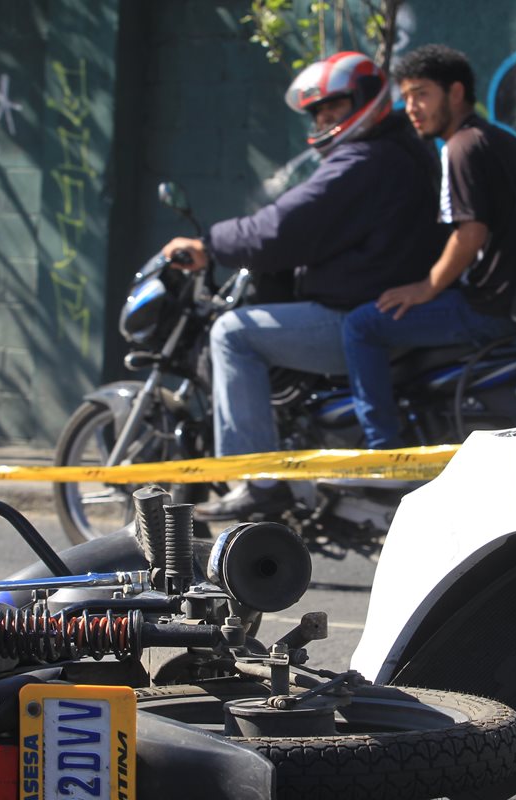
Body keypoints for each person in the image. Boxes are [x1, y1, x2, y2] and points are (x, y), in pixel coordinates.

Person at [161, 51, 446, 521]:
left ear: (366, 100)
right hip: (382, 305)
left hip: (356, 312)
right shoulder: (401, 150)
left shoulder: (365, 159)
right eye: (318, 111)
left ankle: (259, 479)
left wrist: (209, 244)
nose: (325, 117)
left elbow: (283, 227)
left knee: (232, 332)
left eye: (335, 105)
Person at [340, 44, 516, 449]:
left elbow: (469, 233)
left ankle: (381, 449)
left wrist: (427, 287)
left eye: (421, 94)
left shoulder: (460, 147)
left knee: (361, 325)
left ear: (455, 93)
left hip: (491, 308)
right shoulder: (499, 139)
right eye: (406, 97)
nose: (412, 107)